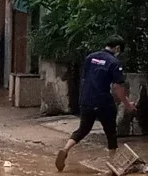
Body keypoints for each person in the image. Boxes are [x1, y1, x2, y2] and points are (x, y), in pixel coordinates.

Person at [55, 36, 136, 172]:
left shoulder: (90, 57)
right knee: (111, 132)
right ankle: (112, 166)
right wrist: (127, 104)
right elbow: (117, 87)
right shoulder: (114, 62)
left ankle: (65, 149)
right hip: (103, 101)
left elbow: (86, 77)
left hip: (86, 100)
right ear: (117, 48)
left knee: (83, 129)